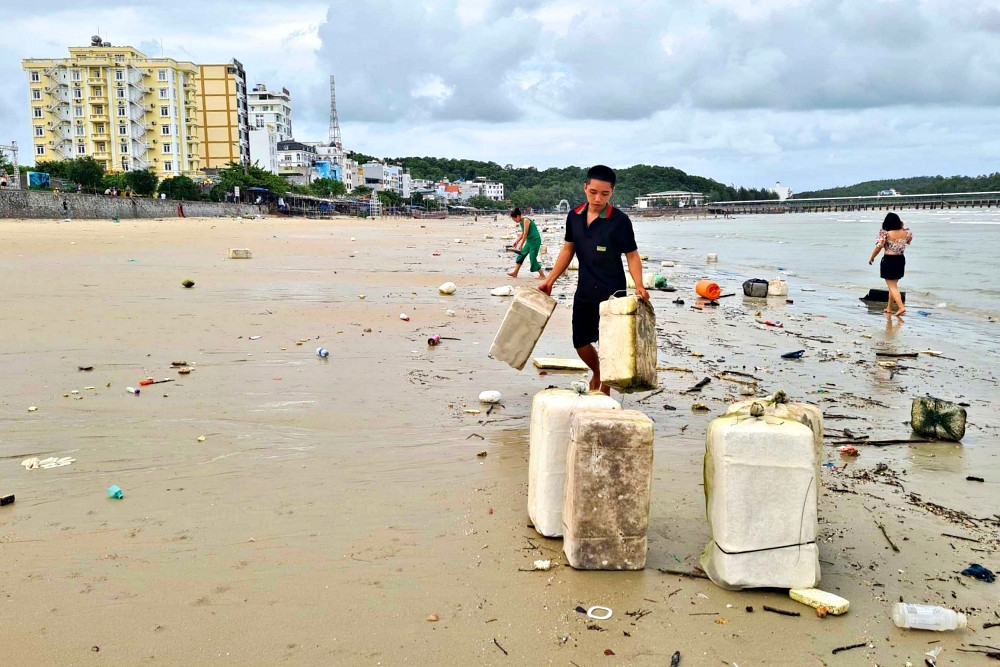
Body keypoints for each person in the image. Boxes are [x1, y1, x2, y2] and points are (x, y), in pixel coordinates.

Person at [538, 165, 649, 393]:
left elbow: (632, 255)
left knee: (609, 345)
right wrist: (550, 280)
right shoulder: (574, 216)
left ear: (612, 192)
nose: (598, 198)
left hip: (612, 294)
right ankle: (598, 371)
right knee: (580, 341)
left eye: (605, 194)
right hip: (585, 290)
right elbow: (568, 250)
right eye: (593, 192)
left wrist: (639, 285)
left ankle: (604, 390)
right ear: (585, 188)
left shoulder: (620, 221)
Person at [868, 212, 912, 317]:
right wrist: (902, 226)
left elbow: (879, 247)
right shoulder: (906, 233)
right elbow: (908, 241)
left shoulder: (886, 234)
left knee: (892, 286)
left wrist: (872, 257)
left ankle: (901, 307)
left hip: (889, 260)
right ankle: (889, 307)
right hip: (900, 260)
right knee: (893, 286)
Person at [507, 207, 546, 279]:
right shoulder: (521, 222)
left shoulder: (526, 220)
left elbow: (525, 233)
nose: (514, 221)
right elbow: (523, 233)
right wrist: (517, 241)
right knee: (521, 255)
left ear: (518, 216)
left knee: (532, 258)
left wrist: (521, 245)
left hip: (535, 240)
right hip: (529, 241)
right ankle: (515, 272)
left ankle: (542, 275)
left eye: (514, 219)